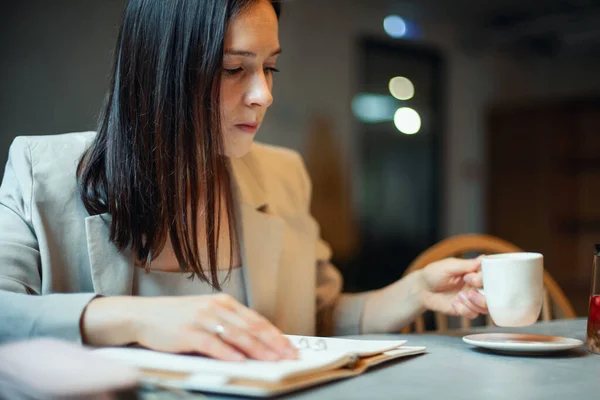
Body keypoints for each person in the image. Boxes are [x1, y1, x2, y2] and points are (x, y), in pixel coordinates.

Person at [0, 0, 487, 362]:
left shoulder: (283, 175)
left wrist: (414, 290)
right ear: (158, 70)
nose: (264, 94)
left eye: (270, 67)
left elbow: (318, 317)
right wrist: (140, 318)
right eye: (235, 69)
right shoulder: (43, 171)